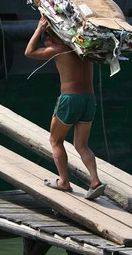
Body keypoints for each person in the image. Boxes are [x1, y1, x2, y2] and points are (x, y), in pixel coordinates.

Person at [25, 16, 106, 200]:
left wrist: (39, 28)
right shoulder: (85, 49)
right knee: (81, 145)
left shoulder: (58, 49)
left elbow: (29, 52)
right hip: (89, 100)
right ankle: (95, 181)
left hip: (70, 100)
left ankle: (63, 182)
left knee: (55, 140)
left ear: (52, 38)